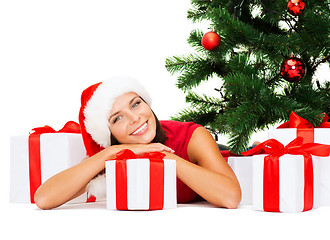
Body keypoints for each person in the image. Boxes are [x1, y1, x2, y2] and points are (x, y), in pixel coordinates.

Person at [34, 76, 241, 210]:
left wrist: (164, 156)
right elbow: (43, 199)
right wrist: (111, 153)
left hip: (219, 155)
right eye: (117, 118)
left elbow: (231, 198)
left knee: (240, 154)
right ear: (109, 135)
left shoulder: (192, 136)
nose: (135, 118)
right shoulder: (112, 153)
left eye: (136, 104)